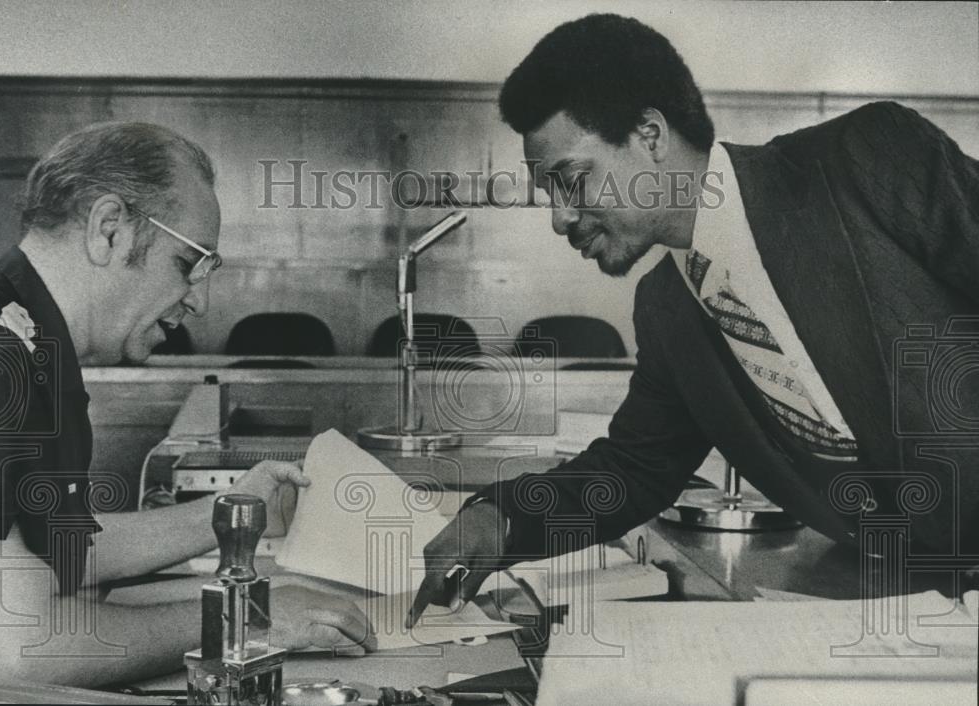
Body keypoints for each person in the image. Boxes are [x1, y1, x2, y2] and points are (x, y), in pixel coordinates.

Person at [409, 13, 979, 625]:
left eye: (572, 181)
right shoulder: (666, 306)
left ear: (650, 135)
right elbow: (635, 470)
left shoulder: (866, 158)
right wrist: (501, 518)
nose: (560, 217)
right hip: (913, 610)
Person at [0, 122, 375, 687]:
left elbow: (62, 548)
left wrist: (237, 512)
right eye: (189, 263)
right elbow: (19, 649)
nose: (200, 298)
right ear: (109, 229)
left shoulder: (32, 340)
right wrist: (251, 617)